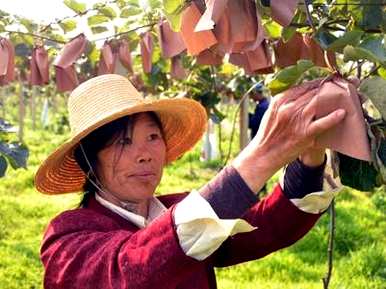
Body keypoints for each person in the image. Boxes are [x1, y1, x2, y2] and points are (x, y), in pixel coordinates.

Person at [36, 74, 346, 289]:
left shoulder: (178, 211)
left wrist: (310, 157)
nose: (144, 154)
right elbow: (131, 270)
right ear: (88, 161)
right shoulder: (67, 238)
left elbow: (267, 227)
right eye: (122, 142)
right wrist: (262, 155)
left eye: (152, 137)